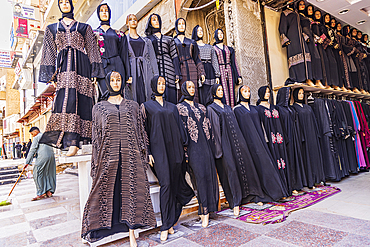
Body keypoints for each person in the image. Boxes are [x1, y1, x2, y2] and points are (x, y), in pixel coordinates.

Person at [82, 71, 156, 246]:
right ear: (107, 83)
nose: (116, 83)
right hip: (109, 157)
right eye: (113, 80)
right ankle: (100, 228)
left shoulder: (133, 106)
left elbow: (140, 132)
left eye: (119, 80)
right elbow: (97, 137)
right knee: (108, 192)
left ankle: (132, 232)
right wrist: (95, 163)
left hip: (131, 157)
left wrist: (145, 153)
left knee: (132, 192)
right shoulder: (99, 108)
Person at [142, 75, 194, 241]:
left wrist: (183, 151)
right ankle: (165, 225)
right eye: (159, 83)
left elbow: (180, 129)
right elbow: (144, 131)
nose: (162, 86)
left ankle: (171, 221)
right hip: (158, 152)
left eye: (164, 83)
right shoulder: (147, 106)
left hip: (175, 151)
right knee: (166, 185)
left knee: (174, 184)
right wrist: (148, 151)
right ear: (153, 85)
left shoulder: (172, 107)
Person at [177, 81, 219, 227]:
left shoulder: (202, 107)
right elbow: (181, 133)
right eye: (188, 87)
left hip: (206, 147)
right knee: (199, 178)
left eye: (193, 87)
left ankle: (209, 209)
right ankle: (204, 210)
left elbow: (208, 129)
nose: (192, 89)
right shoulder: (179, 108)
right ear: (183, 90)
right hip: (193, 149)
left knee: (209, 177)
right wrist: (185, 153)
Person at [25, 127, 56, 201]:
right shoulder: (47, 136)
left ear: (36, 131)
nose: (32, 136)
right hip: (51, 157)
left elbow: (33, 149)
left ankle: (41, 193)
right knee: (49, 173)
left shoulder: (37, 137)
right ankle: (49, 191)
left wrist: (27, 162)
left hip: (43, 157)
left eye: (32, 134)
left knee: (37, 173)